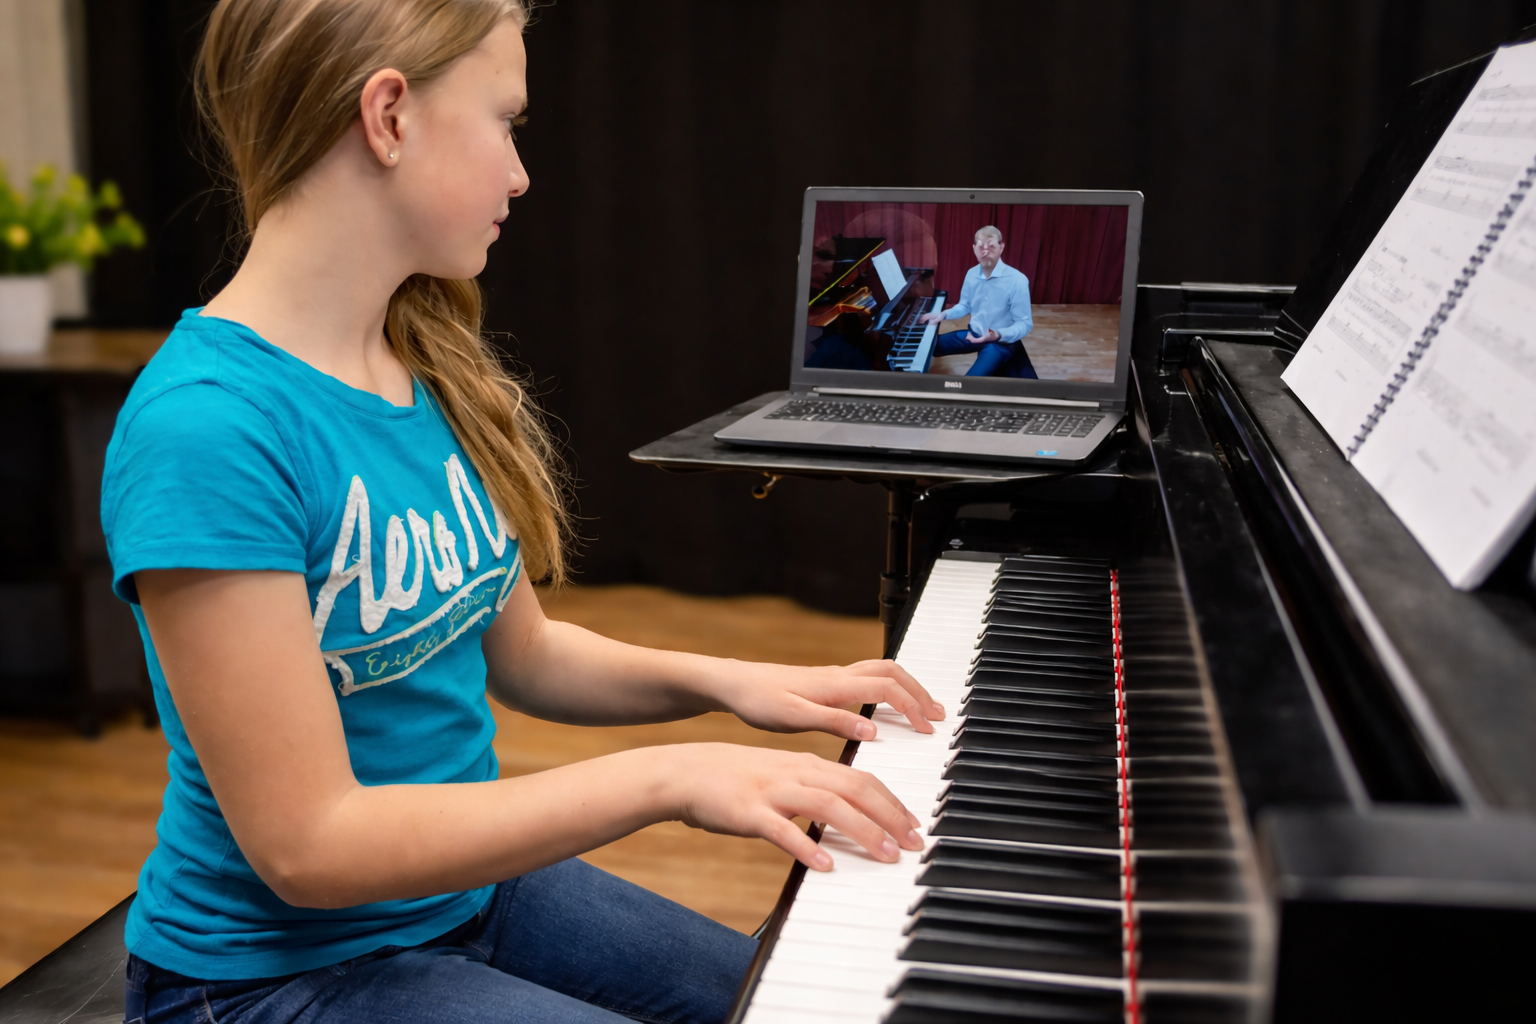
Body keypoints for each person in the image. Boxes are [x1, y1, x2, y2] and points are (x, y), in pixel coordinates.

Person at [102, 3, 942, 1022]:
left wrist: (736, 683)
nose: (520, 172)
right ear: (389, 116)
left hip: (462, 895)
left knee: (793, 1005)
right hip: (267, 974)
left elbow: (527, 655)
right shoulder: (209, 430)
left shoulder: (412, 359)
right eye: (506, 121)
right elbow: (308, 846)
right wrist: (671, 776)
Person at [918, 225, 1037, 377]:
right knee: (926, 346)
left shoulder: (1018, 280)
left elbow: (1025, 323)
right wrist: (942, 315)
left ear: (1001, 247)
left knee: (970, 382)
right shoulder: (971, 274)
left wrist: (997, 334)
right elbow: (964, 305)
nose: (985, 251)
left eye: (991, 247)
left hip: (1000, 343)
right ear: (974, 248)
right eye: (980, 247)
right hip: (974, 334)